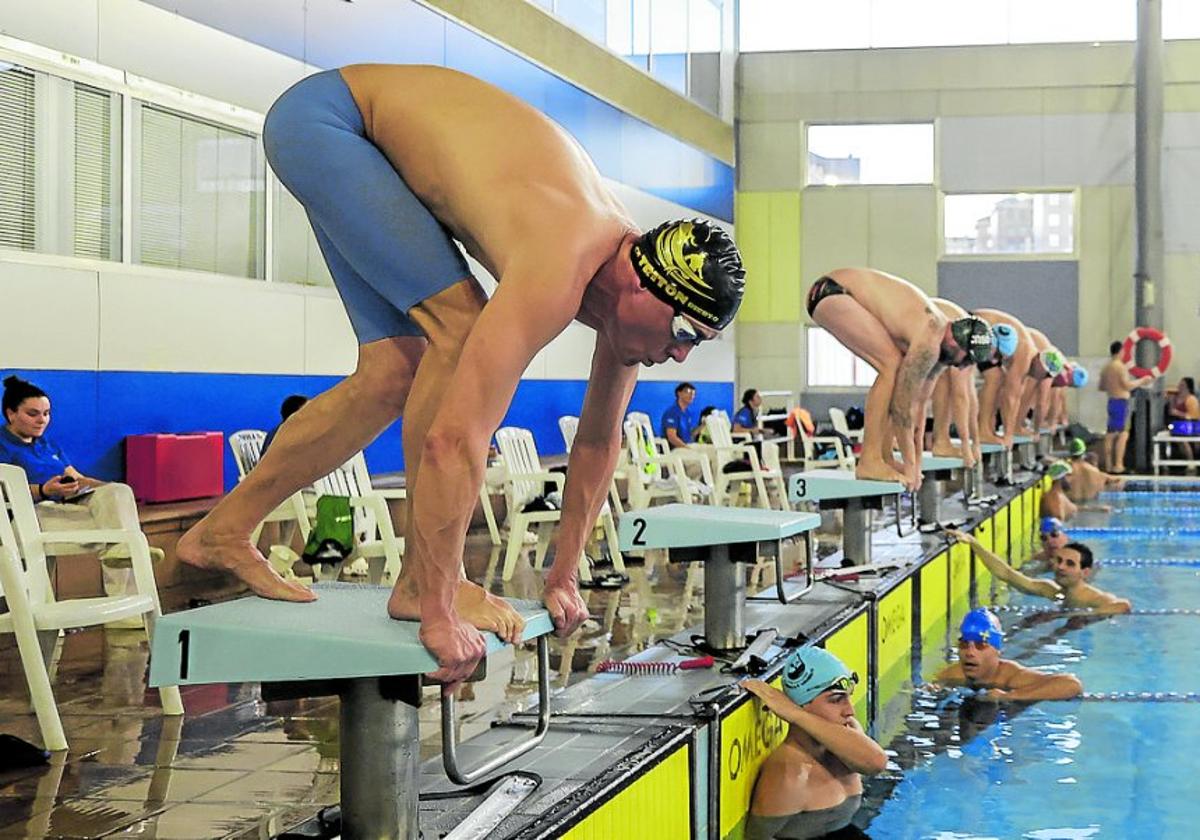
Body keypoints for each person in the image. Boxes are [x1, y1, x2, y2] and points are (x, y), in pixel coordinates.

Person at [176, 64, 747, 685]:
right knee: (458, 327)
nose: (683, 354)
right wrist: (441, 611)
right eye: (686, 332)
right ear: (640, 284)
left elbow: (596, 440)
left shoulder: (625, 311)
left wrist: (564, 574)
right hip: (332, 123)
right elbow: (456, 439)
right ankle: (423, 583)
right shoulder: (563, 260)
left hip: (351, 138)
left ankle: (222, 532)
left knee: (394, 371)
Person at [805, 268, 998, 489]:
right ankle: (869, 461)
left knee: (895, 373)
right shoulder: (929, 341)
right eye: (967, 360)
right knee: (890, 365)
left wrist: (915, 468)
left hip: (839, 292)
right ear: (956, 343)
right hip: (831, 292)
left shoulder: (941, 354)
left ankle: (883, 458)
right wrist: (910, 466)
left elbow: (919, 408)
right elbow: (902, 410)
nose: (963, 366)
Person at [0, 375, 159, 606]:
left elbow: (79, 478)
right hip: (26, 517)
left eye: (46, 413)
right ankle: (125, 594)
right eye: (32, 414)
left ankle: (122, 556)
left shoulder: (47, 444)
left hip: (64, 509)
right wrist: (44, 490)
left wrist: (113, 490)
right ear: (11, 413)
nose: (41, 421)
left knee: (119, 494)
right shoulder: (2, 445)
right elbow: (4, 491)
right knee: (122, 530)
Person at [742, 647, 887, 840]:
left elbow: (876, 762)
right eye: (836, 700)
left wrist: (797, 715)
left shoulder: (847, 737)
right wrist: (795, 714)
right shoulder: (791, 773)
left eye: (848, 697)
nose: (849, 710)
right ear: (802, 704)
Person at [946, 528, 1131, 613]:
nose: (1060, 567)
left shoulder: (1094, 598)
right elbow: (1007, 574)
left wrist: (1084, 614)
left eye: (1070, 564)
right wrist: (974, 543)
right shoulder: (1050, 589)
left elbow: (1123, 605)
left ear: (1085, 572)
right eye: (1059, 561)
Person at [929, 298, 1019, 468]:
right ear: (992, 343)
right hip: (918, 323)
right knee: (933, 384)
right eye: (996, 355)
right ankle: (937, 441)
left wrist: (975, 442)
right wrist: (966, 445)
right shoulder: (967, 341)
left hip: (935, 322)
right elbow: (960, 396)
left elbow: (969, 396)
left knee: (943, 381)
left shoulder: (975, 341)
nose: (993, 361)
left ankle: (941, 441)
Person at [931, 609, 1082, 701]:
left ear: (997, 651)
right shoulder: (952, 674)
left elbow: (1071, 685)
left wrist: (1009, 696)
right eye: (964, 644)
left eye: (980, 645)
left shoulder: (1012, 676)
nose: (970, 653)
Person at [972, 309, 1062, 449]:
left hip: (982, 326)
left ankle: (987, 429)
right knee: (995, 378)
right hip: (978, 326)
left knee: (997, 378)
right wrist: (1009, 434)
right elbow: (1010, 397)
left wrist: (1014, 428)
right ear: (1040, 365)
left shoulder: (1028, 357)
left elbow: (1018, 397)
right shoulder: (1025, 356)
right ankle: (983, 430)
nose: (1043, 379)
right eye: (1046, 375)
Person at [1099, 340, 1155, 474]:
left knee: (1110, 434)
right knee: (1123, 435)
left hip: (1111, 401)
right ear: (1120, 351)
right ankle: (1118, 465)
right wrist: (1142, 380)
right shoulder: (1120, 366)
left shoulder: (1106, 367)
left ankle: (1108, 465)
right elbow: (1126, 385)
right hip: (1121, 403)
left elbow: (1101, 387)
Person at [1015, 328, 1067, 437]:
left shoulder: (1047, 360)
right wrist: (1036, 430)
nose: (1044, 378)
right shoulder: (1037, 360)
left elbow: (1052, 402)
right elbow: (1041, 403)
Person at [1065, 437, 1121, 502]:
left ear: (1070, 452)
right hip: (1092, 505)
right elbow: (1117, 480)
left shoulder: (1065, 470)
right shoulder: (1094, 471)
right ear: (1084, 452)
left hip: (1071, 505)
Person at [1166, 376, 1200, 470]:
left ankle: (1191, 461)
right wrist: (1171, 401)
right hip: (1178, 423)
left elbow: (1193, 416)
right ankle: (1185, 460)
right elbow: (1171, 411)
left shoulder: (1191, 399)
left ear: (1188, 387)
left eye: (1183, 385)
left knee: (1182, 437)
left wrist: (1179, 413)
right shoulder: (1176, 397)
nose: (1180, 386)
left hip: (1191, 424)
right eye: (1180, 384)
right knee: (1174, 429)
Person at [662, 382, 699, 449]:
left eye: (693, 394)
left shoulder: (688, 413)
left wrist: (703, 425)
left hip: (685, 448)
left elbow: (690, 434)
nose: (691, 396)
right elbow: (672, 437)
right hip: (675, 450)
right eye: (688, 392)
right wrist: (687, 448)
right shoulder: (672, 412)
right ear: (679, 393)